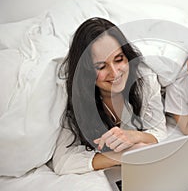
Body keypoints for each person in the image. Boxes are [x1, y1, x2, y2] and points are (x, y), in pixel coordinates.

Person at [52, 17, 167, 175]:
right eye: (101, 66)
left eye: (119, 59)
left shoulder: (145, 80)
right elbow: (62, 162)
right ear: (86, 72)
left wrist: (134, 137)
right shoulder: (74, 96)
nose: (114, 73)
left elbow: (159, 131)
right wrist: (121, 156)